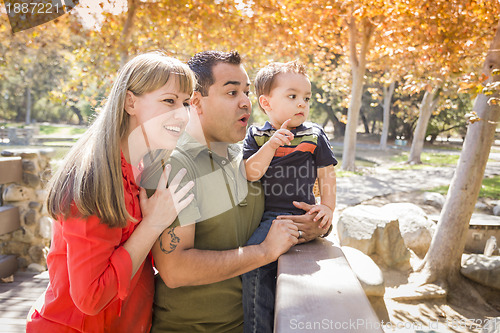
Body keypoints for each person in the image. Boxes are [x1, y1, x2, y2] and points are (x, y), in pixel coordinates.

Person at [149, 51, 329, 332]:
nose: (246, 101)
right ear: (196, 102)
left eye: (245, 91)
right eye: (232, 92)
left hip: (254, 323)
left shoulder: (249, 157)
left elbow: (288, 208)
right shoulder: (176, 164)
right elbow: (174, 270)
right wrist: (264, 251)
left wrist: (315, 225)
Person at [26, 52, 196, 332]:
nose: (182, 113)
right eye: (169, 100)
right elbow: (90, 298)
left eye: (186, 102)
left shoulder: (140, 168)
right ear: (131, 102)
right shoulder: (93, 180)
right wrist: (152, 224)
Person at [242, 60, 337, 333]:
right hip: (270, 218)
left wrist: (327, 207)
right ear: (266, 102)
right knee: (255, 267)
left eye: (306, 98)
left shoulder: (314, 134)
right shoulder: (257, 136)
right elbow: (251, 173)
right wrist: (272, 145)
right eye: (292, 96)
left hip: (303, 212)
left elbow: (327, 175)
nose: (302, 104)